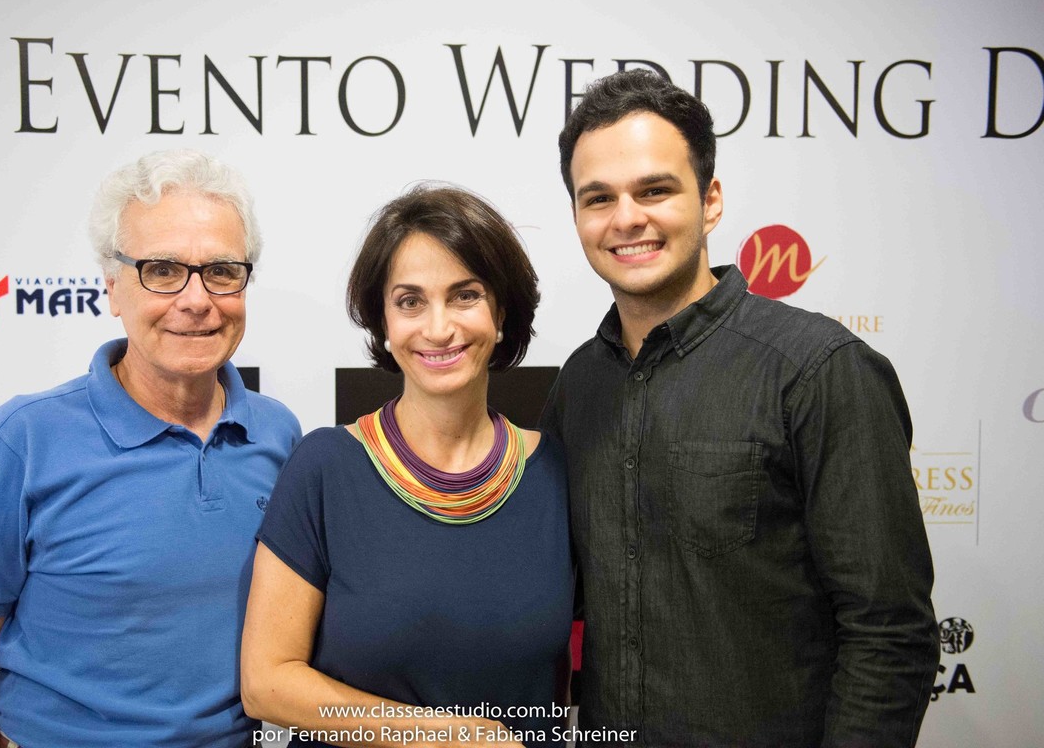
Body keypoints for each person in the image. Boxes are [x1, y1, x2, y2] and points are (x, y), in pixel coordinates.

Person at [542, 70, 939, 747]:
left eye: (655, 190)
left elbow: (889, 631)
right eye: (598, 197)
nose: (626, 218)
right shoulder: (579, 385)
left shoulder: (817, 370)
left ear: (712, 200)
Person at [0, 149, 301, 748]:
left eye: (222, 270)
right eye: (163, 270)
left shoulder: (280, 436)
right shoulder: (21, 440)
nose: (197, 299)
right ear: (113, 286)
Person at [241, 185, 572, 747]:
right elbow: (266, 683)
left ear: (502, 313)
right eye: (410, 301)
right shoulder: (325, 468)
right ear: (384, 324)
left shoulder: (556, 473)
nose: (437, 329)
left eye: (465, 295)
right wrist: (445, 738)